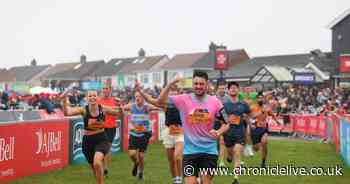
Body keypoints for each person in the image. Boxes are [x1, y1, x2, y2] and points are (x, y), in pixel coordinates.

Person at [158, 71, 229, 184]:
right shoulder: (183, 99)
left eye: (201, 84)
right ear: (192, 84)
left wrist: (219, 132)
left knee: (205, 181)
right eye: (196, 84)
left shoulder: (215, 102)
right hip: (190, 152)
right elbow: (160, 101)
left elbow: (227, 122)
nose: (198, 86)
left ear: (207, 84)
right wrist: (171, 82)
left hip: (209, 151)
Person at [62, 90, 122, 184]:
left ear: (97, 98)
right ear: (86, 98)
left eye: (94, 96)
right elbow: (67, 113)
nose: (92, 98)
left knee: (97, 162)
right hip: (87, 142)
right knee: (95, 169)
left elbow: (118, 114)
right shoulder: (83, 110)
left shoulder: (103, 109)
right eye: (90, 96)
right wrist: (64, 100)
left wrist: (120, 106)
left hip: (101, 139)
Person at [136, 83, 184, 184]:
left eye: (175, 92)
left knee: (178, 157)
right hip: (168, 133)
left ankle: (180, 177)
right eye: (171, 92)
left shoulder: (183, 103)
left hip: (180, 133)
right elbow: (150, 100)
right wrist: (141, 92)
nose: (173, 95)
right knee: (171, 160)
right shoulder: (165, 104)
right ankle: (176, 180)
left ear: (179, 93)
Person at [122, 91, 159, 182]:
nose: (138, 98)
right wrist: (123, 111)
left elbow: (157, 106)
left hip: (144, 134)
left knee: (141, 156)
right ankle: (136, 163)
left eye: (140, 96)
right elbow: (121, 108)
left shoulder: (146, 107)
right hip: (134, 134)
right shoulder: (131, 106)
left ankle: (141, 172)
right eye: (136, 96)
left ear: (143, 98)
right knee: (132, 154)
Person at [222, 82, 251, 184]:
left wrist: (248, 121)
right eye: (231, 88)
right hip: (228, 133)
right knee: (230, 152)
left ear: (238, 90)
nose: (233, 89)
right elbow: (220, 118)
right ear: (228, 91)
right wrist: (226, 121)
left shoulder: (243, 104)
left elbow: (249, 113)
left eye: (235, 88)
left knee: (237, 152)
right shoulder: (224, 105)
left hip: (240, 132)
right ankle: (229, 157)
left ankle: (236, 179)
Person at [249, 92, 280, 168]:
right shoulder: (252, 107)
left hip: (264, 128)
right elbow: (252, 116)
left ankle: (263, 163)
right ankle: (256, 146)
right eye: (259, 98)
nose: (260, 99)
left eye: (261, 98)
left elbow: (272, 114)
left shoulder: (266, 107)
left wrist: (277, 121)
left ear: (263, 99)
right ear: (256, 99)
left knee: (264, 142)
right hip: (255, 129)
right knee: (256, 149)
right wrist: (261, 112)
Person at [97, 85, 120, 177]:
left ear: (110, 90)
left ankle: (105, 168)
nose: (105, 90)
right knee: (100, 148)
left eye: (107, 89)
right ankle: (102, 167)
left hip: (111, 127)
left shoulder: (114, 101)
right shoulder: (98, 100)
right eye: (103, 89)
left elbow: (118, 114)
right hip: (100, 127)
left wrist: (113, 112)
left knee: (107, 148)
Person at [215, 80, 229, 168]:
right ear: (217, 89)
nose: (222, 90)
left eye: (223, 88)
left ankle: (222, 162)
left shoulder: (228, 98)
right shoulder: (213, 98)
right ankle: (216, 160)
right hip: (215, 122)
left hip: (225, 123)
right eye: (220, 88)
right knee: (216, 143)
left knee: (223, 142)